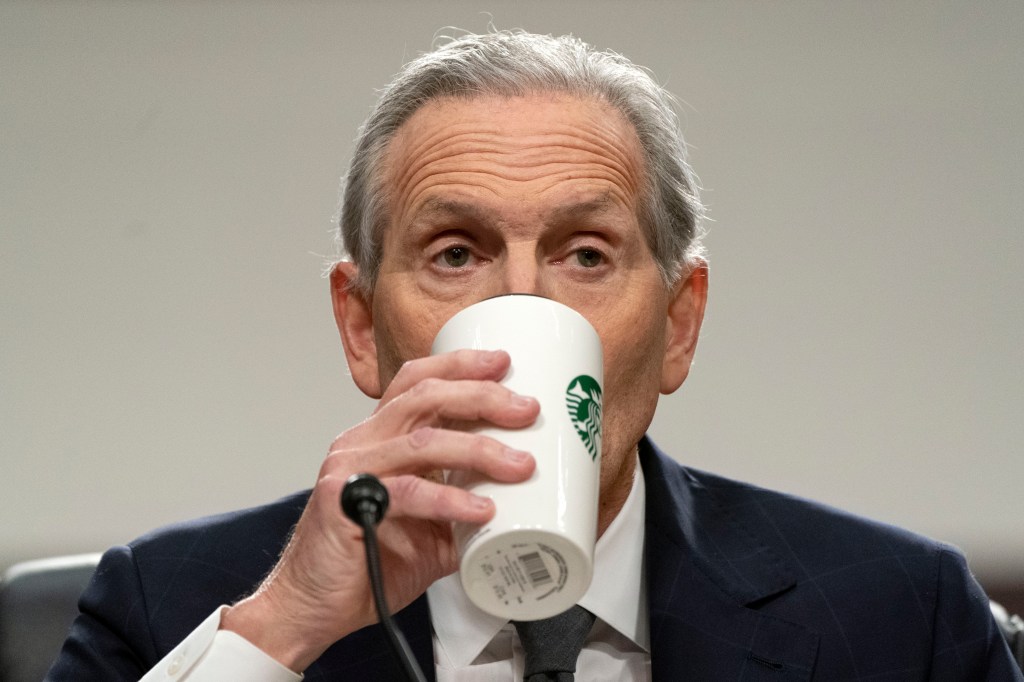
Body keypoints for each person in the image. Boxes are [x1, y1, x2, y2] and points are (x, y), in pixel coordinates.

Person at [48, 30, 1021, 681]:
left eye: (586, 253)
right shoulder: (169, 604)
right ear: (360, 326)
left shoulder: (902, 618)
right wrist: (284, 629)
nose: (521, 301)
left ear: (678, 322)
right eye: (456, 252)